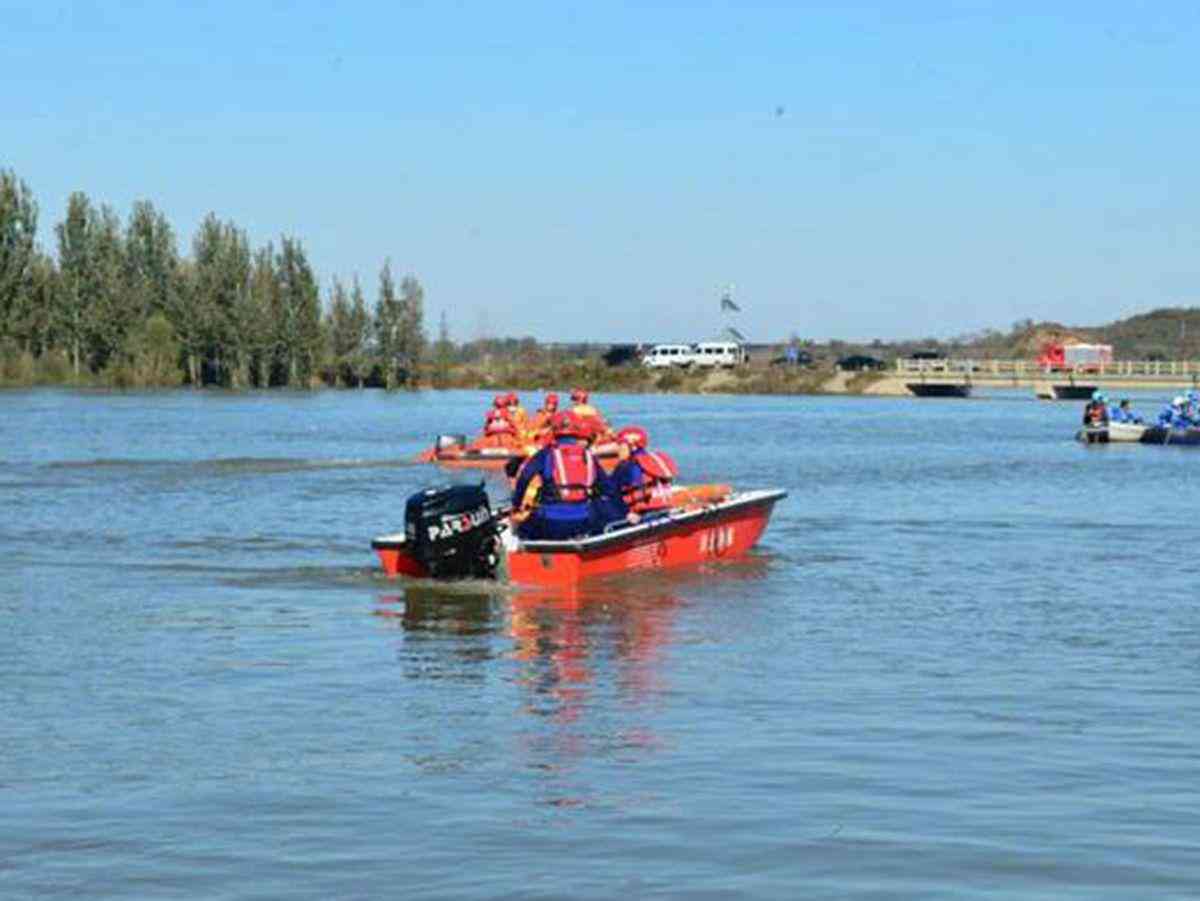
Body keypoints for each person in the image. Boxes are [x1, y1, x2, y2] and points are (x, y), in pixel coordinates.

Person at [509, 411, 622, 540]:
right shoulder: (589, 456)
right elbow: (608, 488)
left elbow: (524, 478)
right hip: (583, 520)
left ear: (554, 429)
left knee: (522, 529)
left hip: (550, 521)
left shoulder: (546, 454)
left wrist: (516, 505)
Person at [610, 426, 679, 518]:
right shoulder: (656, 460)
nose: (618, 449)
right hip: (665, 508)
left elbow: (611, 489)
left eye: (620, 445)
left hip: (642, 515)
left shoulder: (627, 466)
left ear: (632, 446)